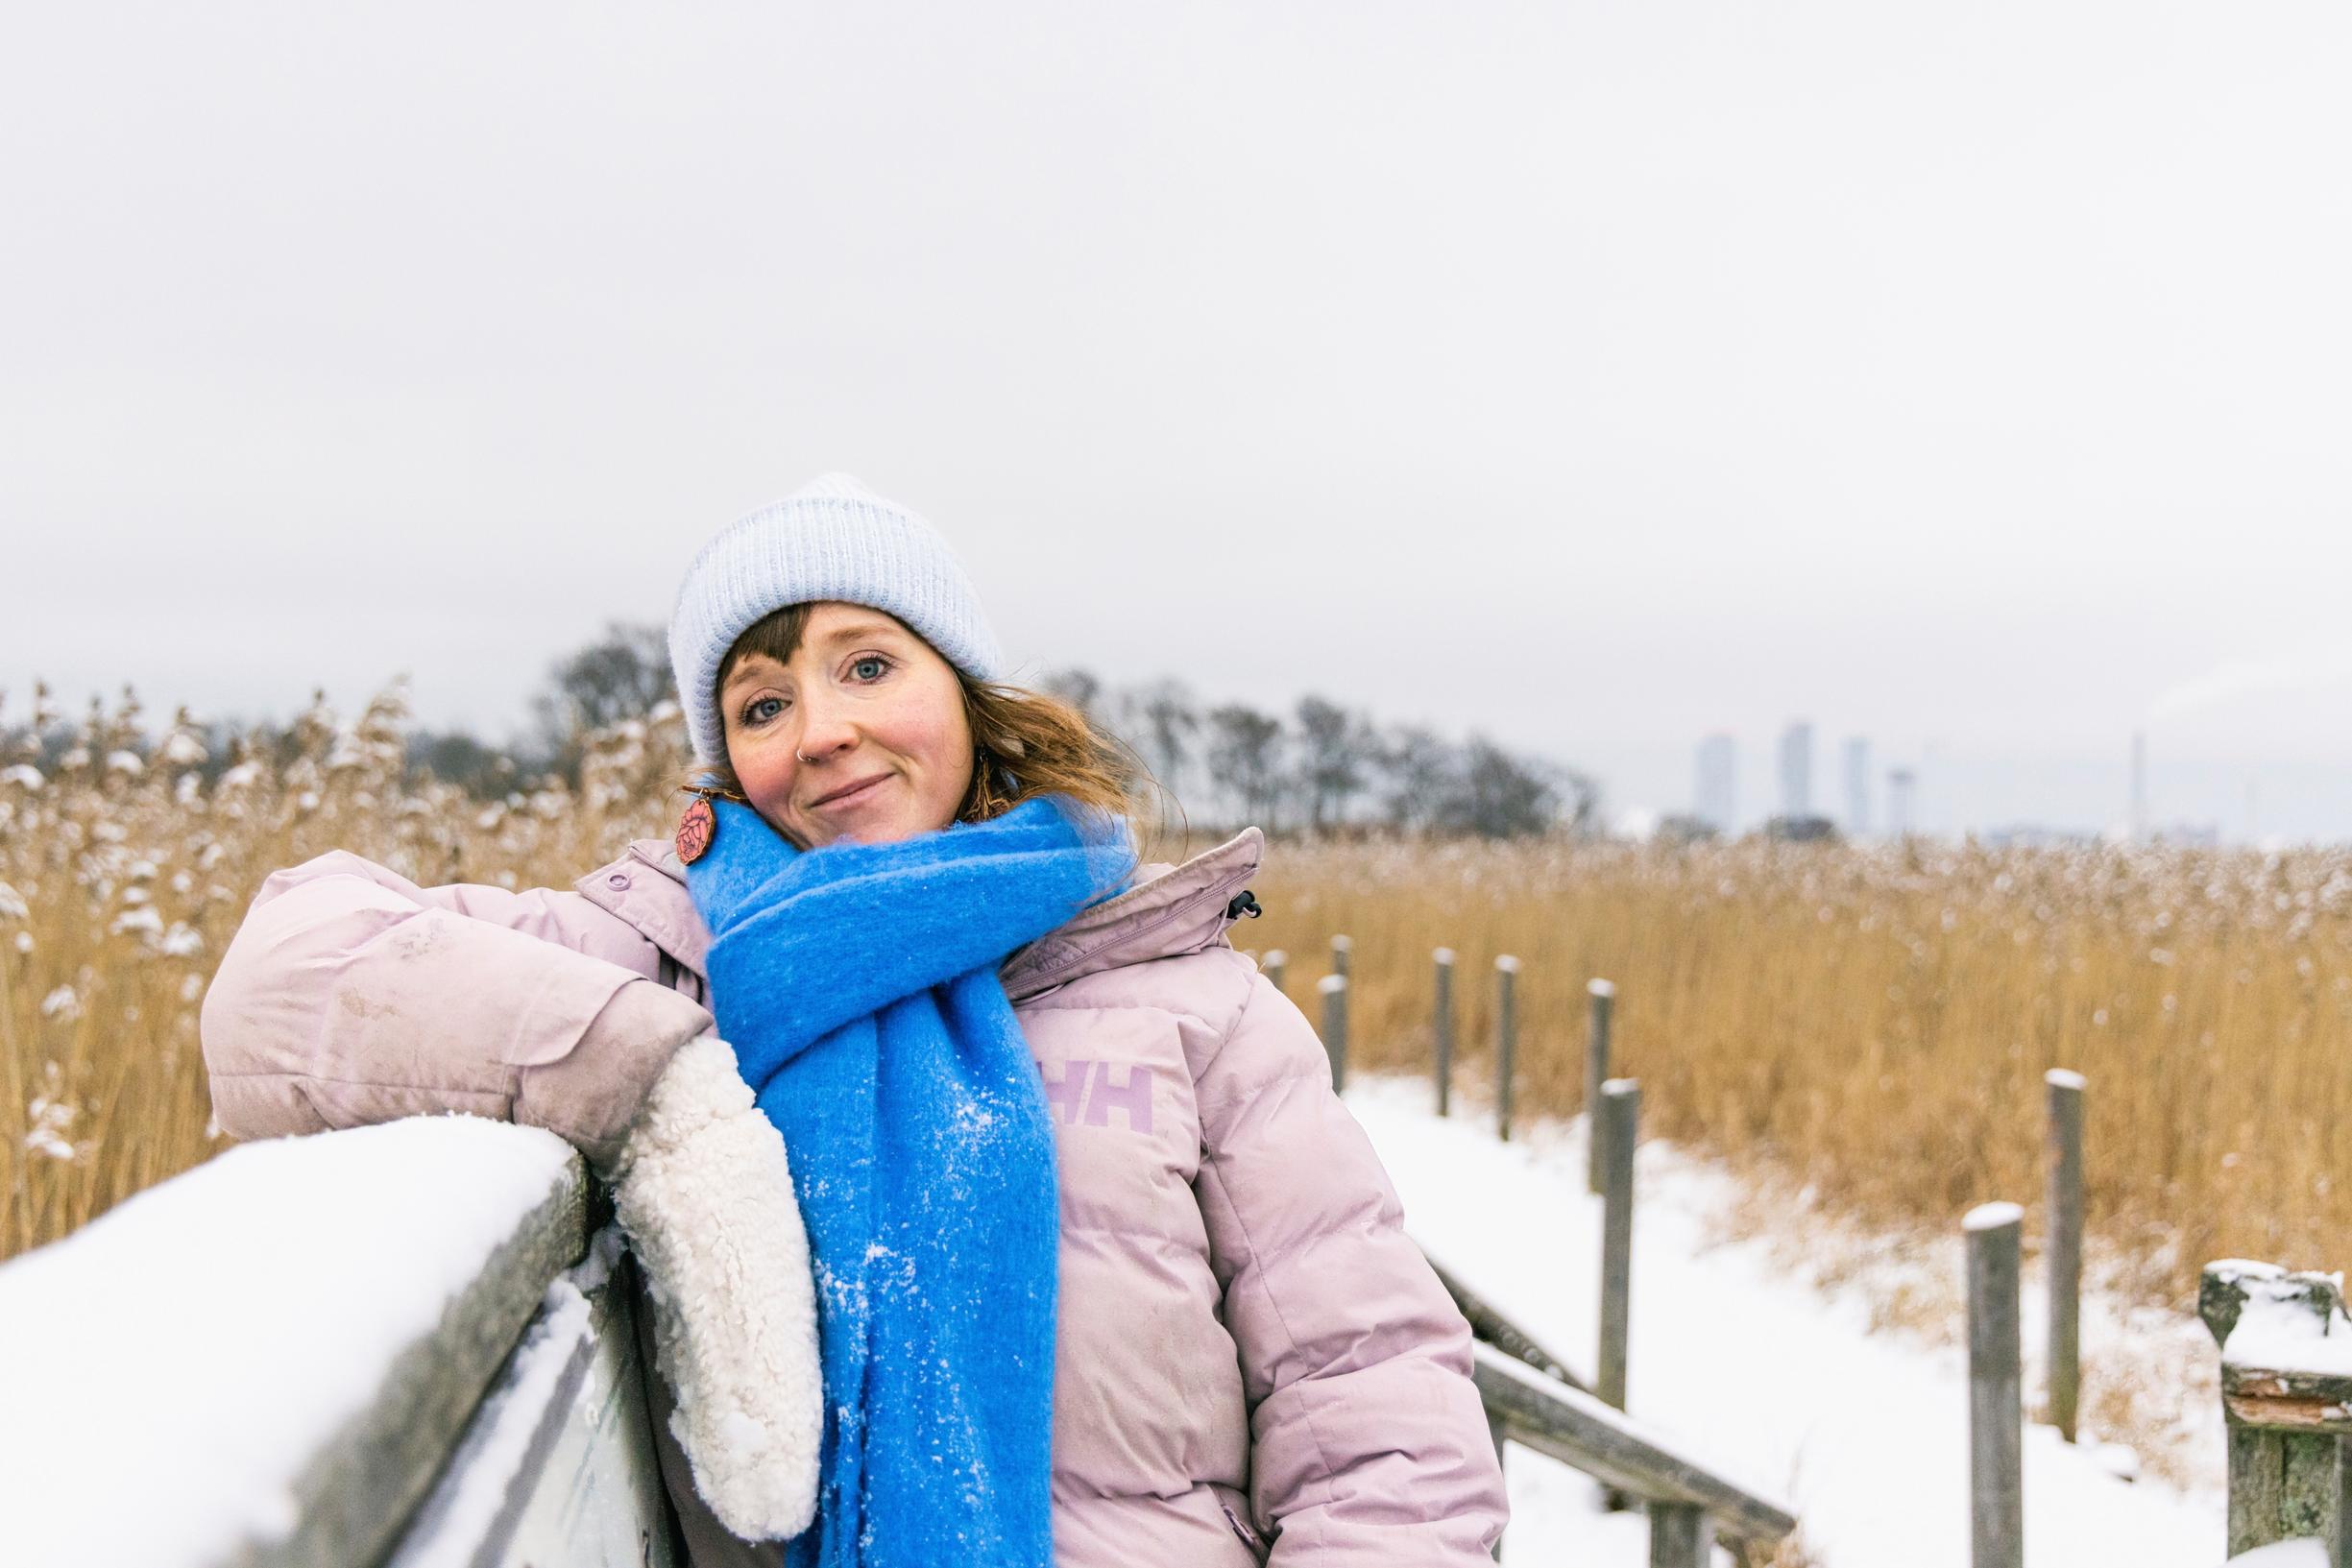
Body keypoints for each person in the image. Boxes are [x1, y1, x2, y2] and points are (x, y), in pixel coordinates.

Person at [200, 473, 1508, 1567]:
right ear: (727, 762)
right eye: (763, 702)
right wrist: (664, 1092)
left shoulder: (1189, 1004)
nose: (821, 732)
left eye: (867, 663)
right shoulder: (689, 960)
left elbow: (1374, 1399)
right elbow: (280, 982)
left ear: (965, 692)